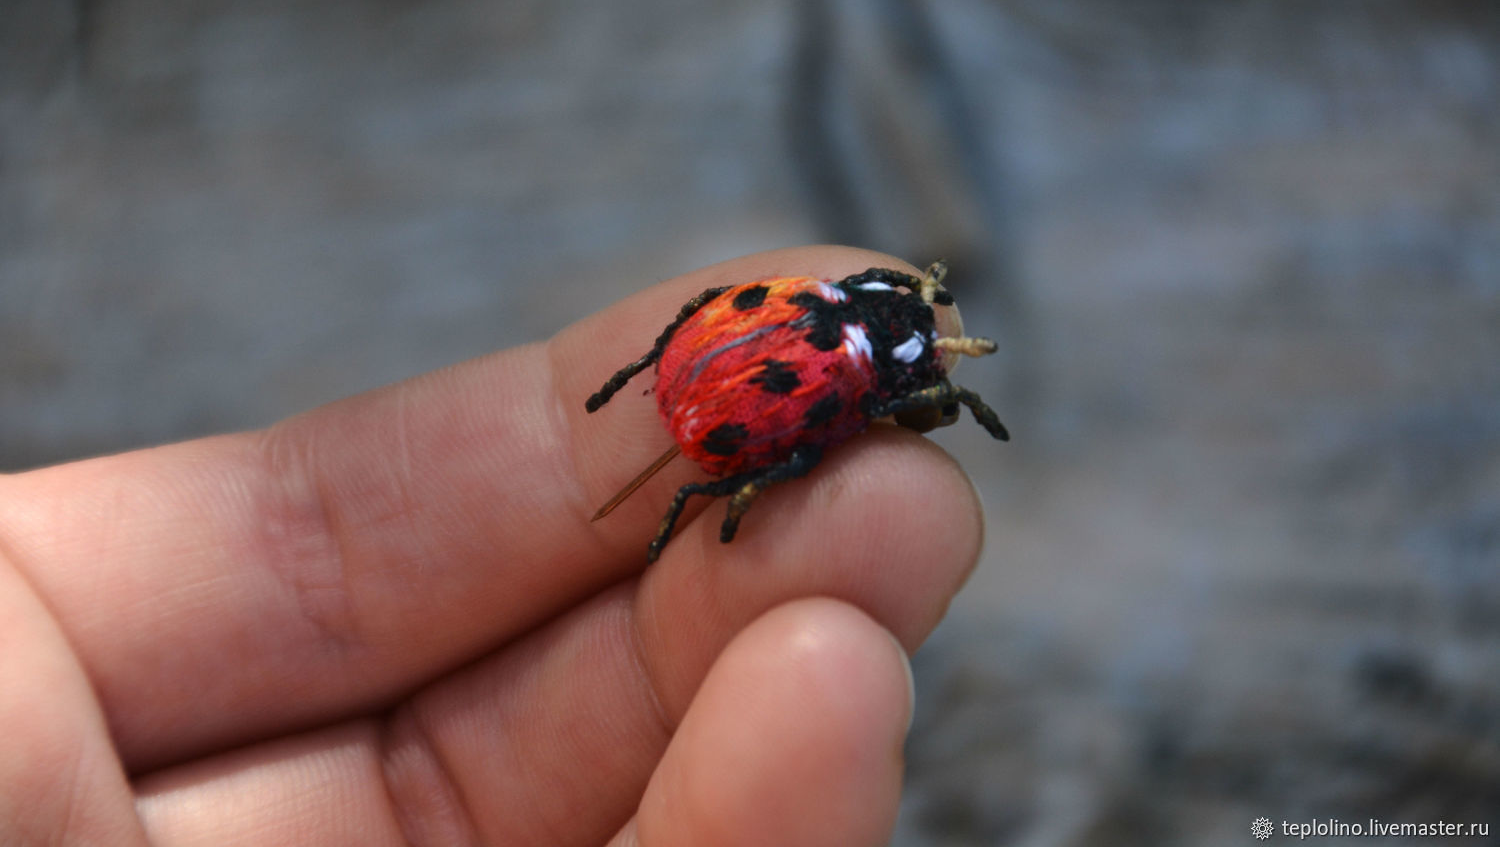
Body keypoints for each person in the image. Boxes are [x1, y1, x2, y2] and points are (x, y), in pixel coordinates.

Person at [0, 247, 984, 846]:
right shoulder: (849, 372)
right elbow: (826, 418)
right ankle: (711, 467)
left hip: (716, 379)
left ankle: (699, 450)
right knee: (816, 457)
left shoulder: (818, 311)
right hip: (726, 397)